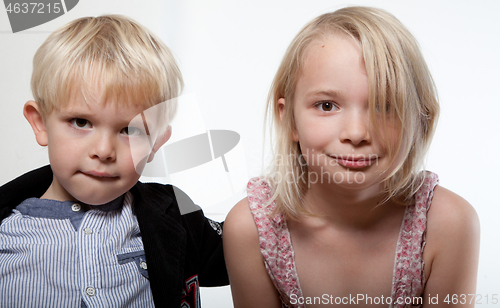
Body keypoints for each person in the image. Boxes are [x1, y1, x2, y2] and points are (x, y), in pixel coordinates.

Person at [224, 6, 479, 308]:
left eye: (385, 106)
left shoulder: (448, 225)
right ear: (289, 120)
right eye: (327, 106)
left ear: (420, 120)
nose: (356, 133)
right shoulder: (252, 227)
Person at [0, 15, 228, 308]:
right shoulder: (7, 233)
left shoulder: (178, 219)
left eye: (130, 130)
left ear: (156, 142)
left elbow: (259, 252)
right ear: (41, 123)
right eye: (81, 122)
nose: (104, 150)